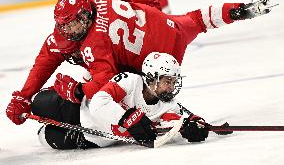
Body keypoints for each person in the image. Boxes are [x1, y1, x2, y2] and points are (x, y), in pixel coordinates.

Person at [5, 0, 275, 126]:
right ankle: (242, 10)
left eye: (74, 23)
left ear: (86, 15)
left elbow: (103, 83)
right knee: (197, 20)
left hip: (156, 64)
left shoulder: (94, 44)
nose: (69, 30)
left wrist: (76, 92)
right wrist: (152, 9)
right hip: (168, 27)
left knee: (127, 93)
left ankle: (169, 115)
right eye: (65, 25)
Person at [31, 52, 209, 149]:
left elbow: (179, 120)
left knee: (44, 137)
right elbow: (98, 102)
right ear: (151, 78)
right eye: (167, 81)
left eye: (173, 82)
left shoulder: (168, 104)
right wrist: (127, 118)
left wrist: (191, 127)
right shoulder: (130, 80)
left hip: (92, 137)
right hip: (76, 108)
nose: (171, 87)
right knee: (36, 103)